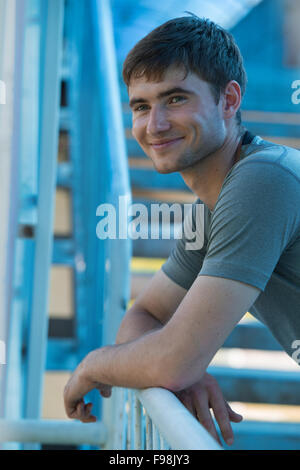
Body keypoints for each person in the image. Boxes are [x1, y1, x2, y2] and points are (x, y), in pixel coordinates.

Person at [63, 15, 300, 447]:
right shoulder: (213, 208)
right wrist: (181, 369)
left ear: (229, 101)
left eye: (175, 99)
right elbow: (145, 316)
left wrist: (93, 365)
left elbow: (173, 360)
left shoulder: (262, 179)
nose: (154, 125)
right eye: (140, 106)